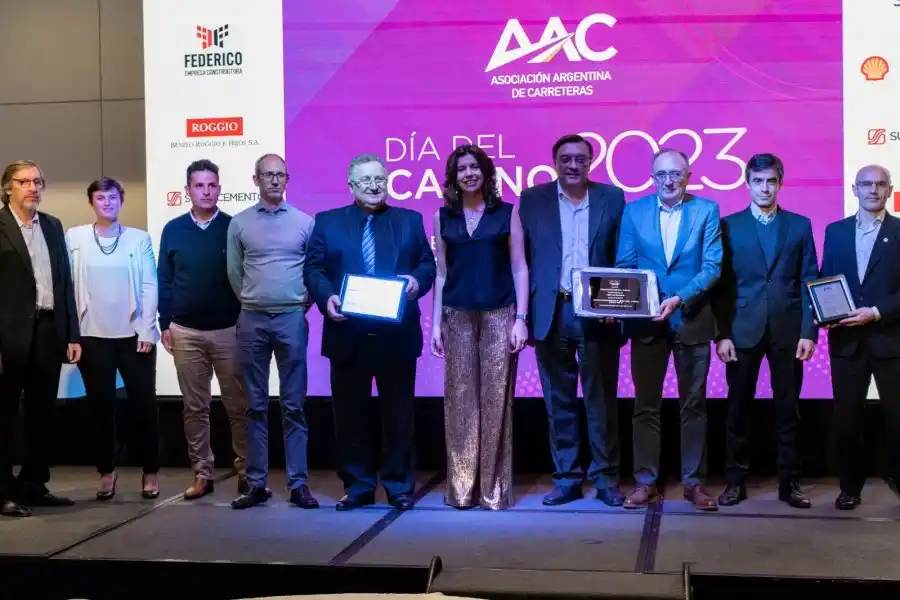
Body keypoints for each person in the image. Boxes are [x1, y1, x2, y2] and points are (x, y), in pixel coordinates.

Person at [305, 153, 435, 511]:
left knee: (399, 417)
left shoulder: (410, 220)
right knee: (350, 417)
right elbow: (313, 269)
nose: (374, 186)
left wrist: (417, 282)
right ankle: (358, 486)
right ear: (351, 186)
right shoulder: (327, 222)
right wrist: (326, 298)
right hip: (347, 334)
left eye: (380, 179)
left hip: (397, 336)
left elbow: (427, 264)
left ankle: (399, 487)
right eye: (366, 180)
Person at [518, 134, 626, 507]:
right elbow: (522, 259)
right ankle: (566, 479)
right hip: (552, 311)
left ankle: (606, 479)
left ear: (591, 162)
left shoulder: (612, 197)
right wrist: (521, 314)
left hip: (599, 314)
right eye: (566, 159)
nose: (573, 165)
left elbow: (622, 255)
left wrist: (618, 304)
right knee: (558, 402)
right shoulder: (532, 199)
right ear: (555, 162)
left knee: (601, 402)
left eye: (580, 158)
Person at [615, 148, 722, 511]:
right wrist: (645, 303)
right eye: (661, 174)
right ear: (652, 178)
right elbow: (625, 265)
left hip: (692, 318)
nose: (669, 181)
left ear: (688, 176)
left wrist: (678, 298)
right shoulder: (634, 211)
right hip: (647, 324)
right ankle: (645, 482)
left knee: (695, 406)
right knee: (645, 406)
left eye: (676, 173)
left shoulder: (706, 210)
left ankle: (694, 483)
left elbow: (712, 267)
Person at [712, 154, 817, 509]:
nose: (765, 188)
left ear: (780, 183)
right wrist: (721, 334)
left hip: (788, 331)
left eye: (771, 181)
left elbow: (808, 281)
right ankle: (735, 482)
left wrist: (809, 331)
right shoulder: (728, 226)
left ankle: (790, 484)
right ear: (747, 184)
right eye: (758, 181)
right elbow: (722, 286)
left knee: (789, 411)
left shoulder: (799, 225)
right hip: (741, 330)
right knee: (737, 410)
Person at [430, 144, 528, 510]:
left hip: (500, 314)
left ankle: (493, 491)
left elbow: (519, 267)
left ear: (486, 173)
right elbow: (441, 274)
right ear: (453, 177)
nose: (469, 173)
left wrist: (521, 319)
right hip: (456, 316)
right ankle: (461, 489)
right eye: (462, 169)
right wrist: (435, 324)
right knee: (459, 401)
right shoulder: (442, 217)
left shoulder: (507, 212)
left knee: (496, 400)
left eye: (474, 167)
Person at [227, 153, 318, 510]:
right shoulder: (239, 223)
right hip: (252, 319)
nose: (275, 180)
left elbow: (313, 271)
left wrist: (298, 302)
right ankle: (256, 484)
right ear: (256, 180)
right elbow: (235, 272)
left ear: (287, 179)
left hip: (291, 318)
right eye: (268, 175)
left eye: (281, 174)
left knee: (294, 405)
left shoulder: (305, 222)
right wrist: (255, 299)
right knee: (254, 405)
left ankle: (298, 484)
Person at [158, 159, 248, 499]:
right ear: (188, 190)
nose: (206, 191)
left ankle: (248, 472)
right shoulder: (173, 229)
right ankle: (202, 474)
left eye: (212, 185)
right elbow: (164, 279)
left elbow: (246, 276)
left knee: (239, 406)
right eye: (199, 185)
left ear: (219, 189)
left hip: (229, 331)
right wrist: (164, 323)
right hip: (185, 332)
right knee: (195, 408)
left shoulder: (234, 227)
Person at [66, 177, 160, 501]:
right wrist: (71, 333)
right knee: (100, 408)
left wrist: (147, 329)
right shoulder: (75, 237)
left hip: (134, 337)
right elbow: (67, 286)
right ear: (91, 202)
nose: (107, 203)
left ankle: (150, 471)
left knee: (144, 405)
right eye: (100, 198)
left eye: (113, 197)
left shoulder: (138, 238)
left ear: (121, 200)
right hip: (92, 336)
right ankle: (106, 472)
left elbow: (149, 285)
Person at [0, 160, 80, 517]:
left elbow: (64, 282)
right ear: (8, 188)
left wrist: (71, 333)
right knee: (4, 415)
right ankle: (3, 491)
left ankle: (34, 484)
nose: (33, 188)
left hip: (48, 329)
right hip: (8, 334)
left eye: (38, 182)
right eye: (25, 182)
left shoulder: (51, 225)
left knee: (42, 413)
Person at [819, 164, 900, 510]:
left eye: (880, 184)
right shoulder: (835, 231)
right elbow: (825, 279)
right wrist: (822, 313)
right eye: (866, 184)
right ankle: (850, 488)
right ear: (854, 189)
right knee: (847, 421)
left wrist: (877, 311)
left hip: (890, 339)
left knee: (897, 420)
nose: (873, 190)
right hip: (846, 342)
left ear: (889, 190)